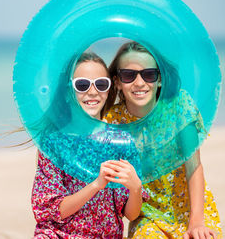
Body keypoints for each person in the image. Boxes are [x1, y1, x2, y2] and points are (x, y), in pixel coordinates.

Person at [103, 41, 222, 239]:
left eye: (148, 74)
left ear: (159, 79)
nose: (139, 83)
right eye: (128, 75)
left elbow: (194, 165)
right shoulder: (112, 121)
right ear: (117, 82)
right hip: (147, 215)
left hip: (192, 209)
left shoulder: (179, 106)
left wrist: (196, 221)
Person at [32, 52, 148, 238]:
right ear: (68, 92)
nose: (93, 92)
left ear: (109, 90)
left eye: (101, 84)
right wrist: (97, 184)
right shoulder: (53, 143)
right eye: (82, 85)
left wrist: (135, 188)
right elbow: (55, 211)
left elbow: (130, 214)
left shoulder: (121, 142)